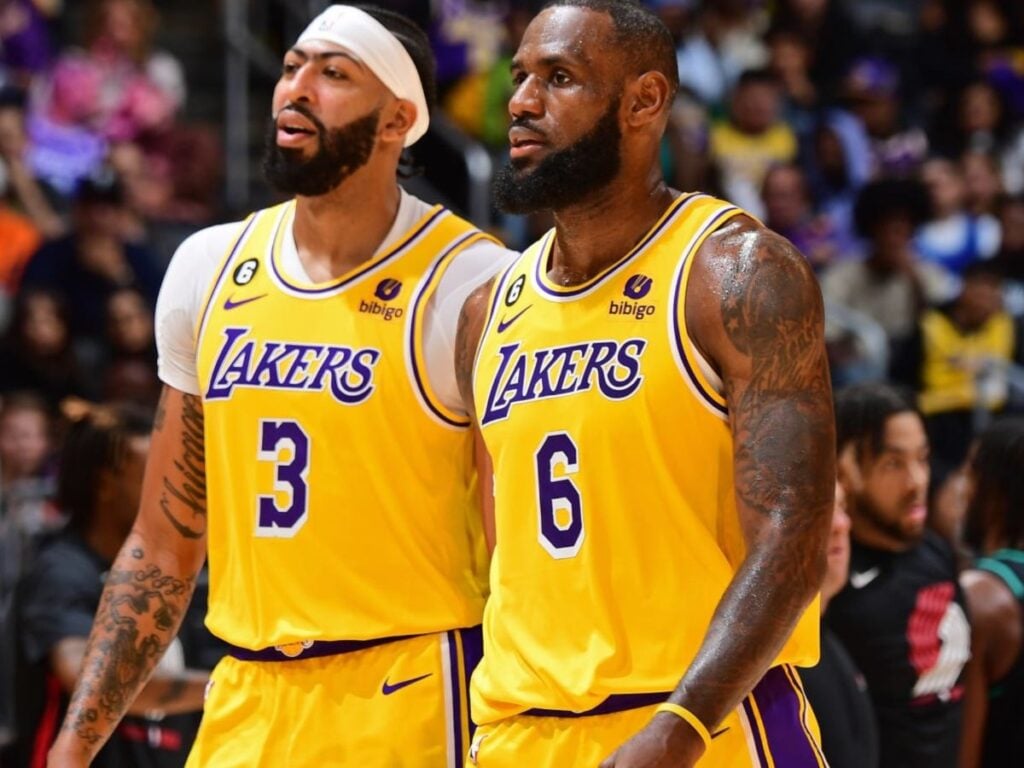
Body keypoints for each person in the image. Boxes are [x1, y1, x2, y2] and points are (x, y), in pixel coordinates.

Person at [47, 5, 513, 766]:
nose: (296, 88)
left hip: (414, 696)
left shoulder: (472, 283)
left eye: (334, 74)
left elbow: (516, 556)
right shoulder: (209, 267)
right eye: (294, 65)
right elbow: (164, 544)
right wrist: (76, 742)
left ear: (398, 120)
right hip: (247, 698)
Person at [455, 2, 835, 766]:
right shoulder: (487, 310)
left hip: (705, 725)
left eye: (559, 78)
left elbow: (794, 539)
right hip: (521, 732)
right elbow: (510, 551)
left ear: (645, 101)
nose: (522, 103)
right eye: (520, 77)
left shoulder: (734, 274)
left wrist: (680, 728)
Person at [19, 402, 213, 768]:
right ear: (104, 482)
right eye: (153, 475)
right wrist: (234, 687)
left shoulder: (172, 574)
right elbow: (83, 677)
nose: (173, 490)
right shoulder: (61, 571)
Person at [827, 383, 970, 768]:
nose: (917, 481)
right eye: (894, 464)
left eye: (922, 459)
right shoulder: (831, 578)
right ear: (844, 468)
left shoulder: (934, 550)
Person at [799, 481, 879, 768]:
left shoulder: (829, 635)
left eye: (842, 506)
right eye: (821, 509)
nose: (841, 524)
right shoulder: (775, 666)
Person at [958, 418, 1024, 767]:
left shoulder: (981, 596)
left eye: (969, 475)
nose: (961, 490)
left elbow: (965, 753)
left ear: (994, 491)